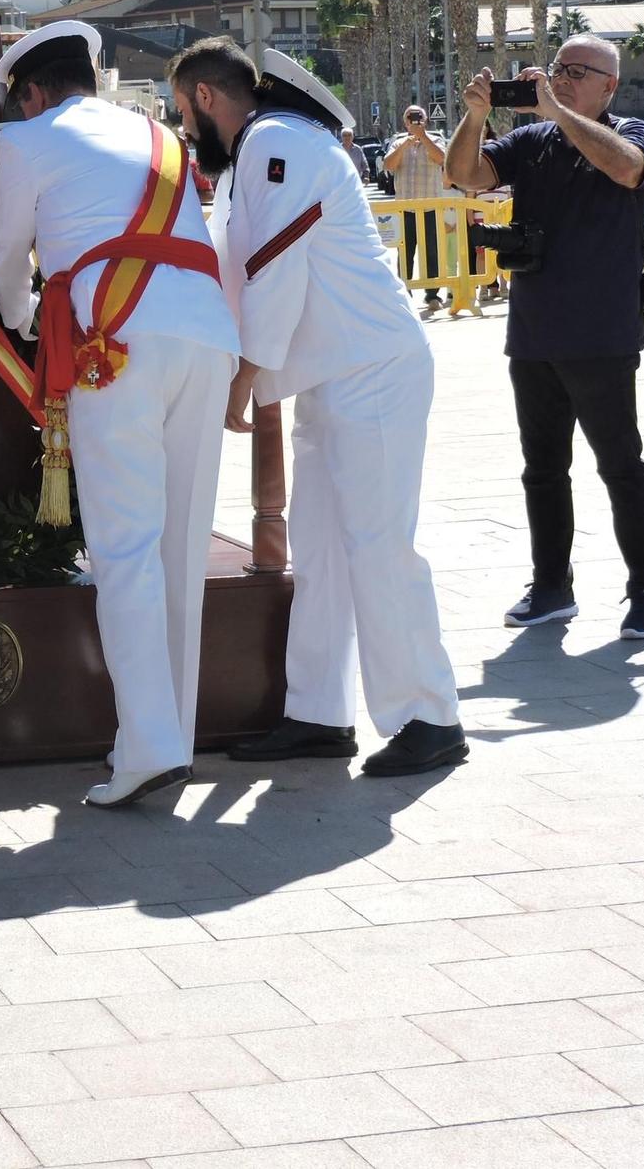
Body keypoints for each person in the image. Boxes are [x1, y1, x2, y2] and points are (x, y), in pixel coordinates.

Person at [174, 40, 466, 778]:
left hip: (371, 370)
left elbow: (275, 270)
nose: (184, 128)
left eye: (183, 110)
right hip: (332, 378)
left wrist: (242, 378)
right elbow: (229, 265)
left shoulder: (277, 142)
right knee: (324, 552)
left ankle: (429, 715)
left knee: (378, 546)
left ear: (206, 97)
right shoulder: (254, 159)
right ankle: (319, 713)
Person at [0, 23, 240, 806]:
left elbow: (6, 256)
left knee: (125, 549)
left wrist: (28, 317)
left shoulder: (27, 141)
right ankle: (168, 736)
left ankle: (149, 748)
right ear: (89, 78)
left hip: (112, 342)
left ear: (31, 92)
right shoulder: (156, 133)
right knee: (180, 546)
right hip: (203, 334)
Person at [444, 34, 644, 640]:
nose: (563, 78)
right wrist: (474, 117)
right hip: (535, 333)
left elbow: (626, 168)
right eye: (557, 68)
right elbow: (464, 174)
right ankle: (551, 586)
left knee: (620, 466)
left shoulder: (632, 132)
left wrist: (558, 112)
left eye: (578, 71)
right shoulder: (533, 139)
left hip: (602, 333)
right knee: (542, 469)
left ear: (609, 86)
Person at [383, 104, 449, 307]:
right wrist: (406, 144)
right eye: (411, 117)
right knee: (405, 252)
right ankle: (405, 293)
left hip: (430, 208)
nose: (415, 120)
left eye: (419, 117)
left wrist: (423, 137)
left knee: (432, 251)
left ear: (426, 120)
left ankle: (432, 294)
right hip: (405, 210)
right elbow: (388, 165)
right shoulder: (398, 142)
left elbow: (441, 159)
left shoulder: (436, 139)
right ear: (405, 122)